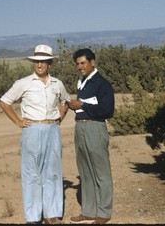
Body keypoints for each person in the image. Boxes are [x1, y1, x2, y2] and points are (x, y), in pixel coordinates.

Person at [0, 44, 70, 224]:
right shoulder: (23, 83)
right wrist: (18, 121)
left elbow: (66, 101)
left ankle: (51, 214)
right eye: (36, 62)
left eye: (43, 62)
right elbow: (4, 102)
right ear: (33, 63)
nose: (39, 65)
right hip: (31, 130)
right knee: (31, 174)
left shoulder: (57, 84)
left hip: (52, 130)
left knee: (52, 172)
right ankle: (32, 217)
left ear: (49, 63)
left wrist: (59, 118)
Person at [67, 48, 114, 225]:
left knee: (101, 171)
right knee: (85, 171)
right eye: (77, 64)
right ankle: (88, 211)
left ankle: (104, 212)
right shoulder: (82, 82)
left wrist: (82, 105)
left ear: (92, 62)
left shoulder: (102, 84)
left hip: (95, 128)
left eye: (83, 63)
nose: (80, 67)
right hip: (80, 128)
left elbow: (107, 110)